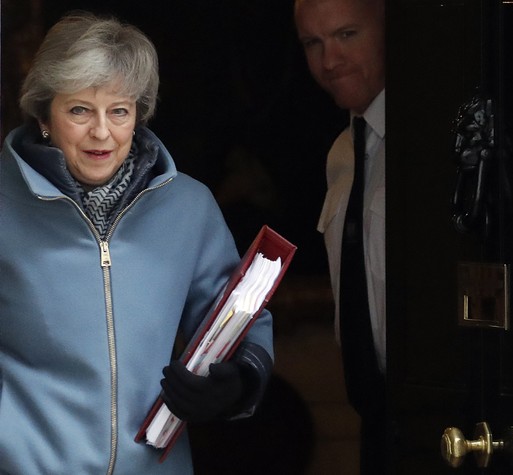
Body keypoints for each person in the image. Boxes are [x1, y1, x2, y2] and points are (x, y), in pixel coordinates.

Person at [0, 12, 273, 474]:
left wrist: (238, 382)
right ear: (44, 114)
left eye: (119, 111)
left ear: (139, 115)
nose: (102, 132)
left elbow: (240, 315)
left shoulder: (188, 206)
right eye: (80, 110)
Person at [294, 0, 387, 473]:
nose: (329, 62)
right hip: (373, 421)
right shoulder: (343, 154)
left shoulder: (433, 142)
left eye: (347, 35)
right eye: (314, 43)